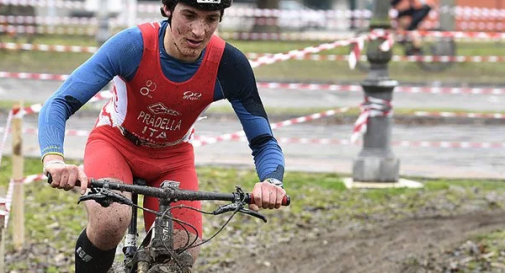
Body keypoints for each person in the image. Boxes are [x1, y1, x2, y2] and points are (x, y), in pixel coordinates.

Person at [37, 0, 287, 272]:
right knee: (111, 221)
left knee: (181, 251)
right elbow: (60, 102)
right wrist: (54, 160)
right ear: (168, 9)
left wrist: (271, 181)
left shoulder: (229, 64)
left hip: (173, 157)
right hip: (115, 143)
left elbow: (263, 140)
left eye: (211, 19)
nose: (198, 31)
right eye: (189, 15)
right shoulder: (133, 45)